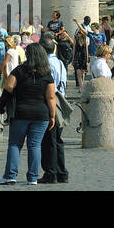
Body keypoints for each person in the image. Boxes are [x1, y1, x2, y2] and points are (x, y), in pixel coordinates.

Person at [0, 38, 56, 185]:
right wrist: (53, 116)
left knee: (15, 144)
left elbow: (8, 87)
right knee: (35, 145)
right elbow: (50, 97)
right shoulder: (46, 73)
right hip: (41, 114)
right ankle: (33, 178)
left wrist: (1, 106)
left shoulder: (19, 70)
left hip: (21, 113)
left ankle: (10, 175)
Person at [38, 33, 69, 184]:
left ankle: (50, 173)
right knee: (58, 140)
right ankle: (62, 172)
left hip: (51, 102)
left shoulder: (46, 65)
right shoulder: (61, 63)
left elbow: (48, 88)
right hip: (61, 102)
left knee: (49, 140)